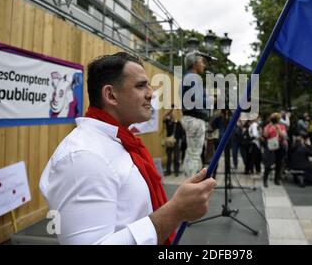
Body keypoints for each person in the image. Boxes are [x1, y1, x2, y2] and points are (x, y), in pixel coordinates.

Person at [39, 52, 216, 245]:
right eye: (141, 86)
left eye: (148, 85)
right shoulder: (83, 157)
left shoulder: (119, 142)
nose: (151, 93)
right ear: (111, 95)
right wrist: (175, 211)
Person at [181, 52, 210, 177]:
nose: (204, 64)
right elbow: (196, 100)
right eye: (202, 61)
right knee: (194, 154)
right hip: (195, 119)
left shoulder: (190, 78)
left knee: (192, 153)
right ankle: (190, 183)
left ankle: (190, 181)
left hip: (193, 119)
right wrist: (210, 100)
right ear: (194, 63)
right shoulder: (192, 78)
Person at [262, 113, 287, 187]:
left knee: (279, 163)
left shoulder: (281, 126)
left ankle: (277, 179)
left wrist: (278, 128)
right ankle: (265, 180)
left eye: (277, 119)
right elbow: (265, 135)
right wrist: (269, 126)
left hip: (280, 146)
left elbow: (283, 135)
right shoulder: (268, 126)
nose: (277, 120)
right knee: (268, 164)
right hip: (271, 146)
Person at [162, 107, 178, 176]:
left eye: (173, 114)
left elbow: (175, 119)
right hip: (168, 141)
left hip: (175, 141)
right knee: (169, 157)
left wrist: (173, 113)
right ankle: (168, 171)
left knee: (176, 157)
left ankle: (176, 171)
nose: (172, 115)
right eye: (171, 114)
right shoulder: (167, 121)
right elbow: (164, 116)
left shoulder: (176, 122)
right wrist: (170, 110)